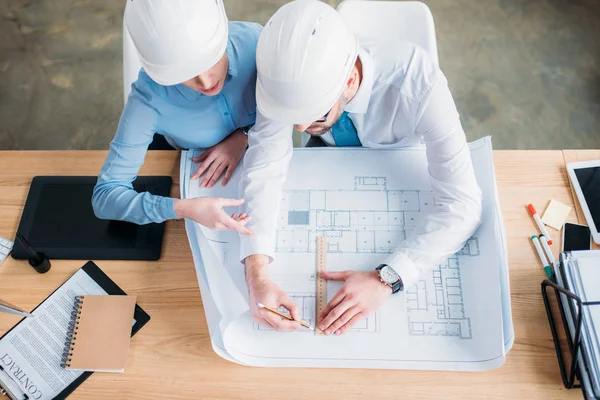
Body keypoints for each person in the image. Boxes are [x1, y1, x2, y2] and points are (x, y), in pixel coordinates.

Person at [240, 0, 483, 334]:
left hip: (401, 160)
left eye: (315, 116)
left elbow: (463, 204)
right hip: (328, 159)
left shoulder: (420, 83)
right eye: (291, 119)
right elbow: (264, 164)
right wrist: (257, 274)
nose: (298, 130)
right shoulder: (283, 78)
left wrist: (387, 278)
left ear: (351, 82)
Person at [92, 0, 261, 235]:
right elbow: (105, 197)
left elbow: (283, 113)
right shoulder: (148, 99)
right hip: (188, 165)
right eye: (185, 74)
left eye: (211, 61)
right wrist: (182, 208)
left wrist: (243, 137)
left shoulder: (257, 43)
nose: (205, 82)